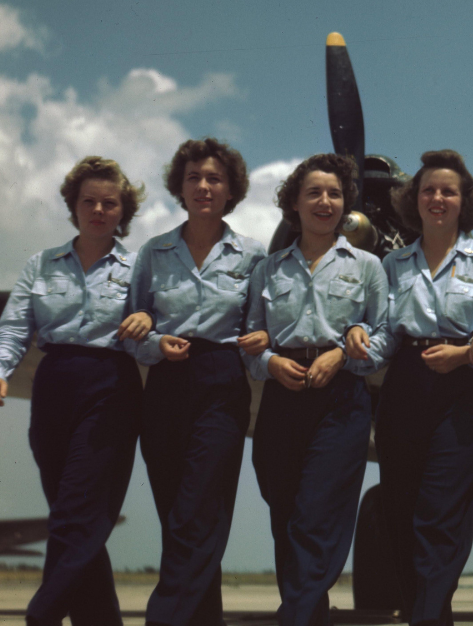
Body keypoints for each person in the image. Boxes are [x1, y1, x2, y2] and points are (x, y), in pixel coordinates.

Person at [0, 156, 147, 625]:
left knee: (77, 512)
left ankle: (43, 614)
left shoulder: (141, 269)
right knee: (74, 516)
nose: (98, 209)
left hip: (111, 386)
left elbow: (156, 332)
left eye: (109, 203)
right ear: (73, 206)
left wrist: (147, 324)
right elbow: (14, 327)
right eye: (88, 201)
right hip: (53, 387)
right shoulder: (41, 265)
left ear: (122, 211)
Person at [361, 149, 473, 626]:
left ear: (465, 201)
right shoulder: (393, 265)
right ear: (415, 199)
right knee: (401, 511)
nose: (438, 197)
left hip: (466, 390)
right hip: (405, 383)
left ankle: (425, 618)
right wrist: (359, 346)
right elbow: (384, 335)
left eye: (449, 190)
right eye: (429, 190)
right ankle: (431, 612)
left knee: (441, 510)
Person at [244, 153, 391, 625]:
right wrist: (270, 362)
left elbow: (384, 338)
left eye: (334, 193)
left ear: (346, 205)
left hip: (341, 397)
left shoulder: (368, 267)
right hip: (282, 397)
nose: (325, 201)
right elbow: (248, 343)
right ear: (294, 204)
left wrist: (343, 354)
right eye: (314, 193)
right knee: (283, 508)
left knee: (317, 510)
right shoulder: (268, 270)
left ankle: (297, 614)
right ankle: (309, 608)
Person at [130, 138, 267, 626]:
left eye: (214, 179)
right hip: (165, 384)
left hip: (221, 382)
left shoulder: (253, 256)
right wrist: (153, 344)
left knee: (197, 510)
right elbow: (133, 327)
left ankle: (163, 618)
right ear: (180, 188)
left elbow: (258, 333)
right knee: (178, 517)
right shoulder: (154, 252)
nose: (204, 186)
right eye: (194, 178)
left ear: (231, 190)